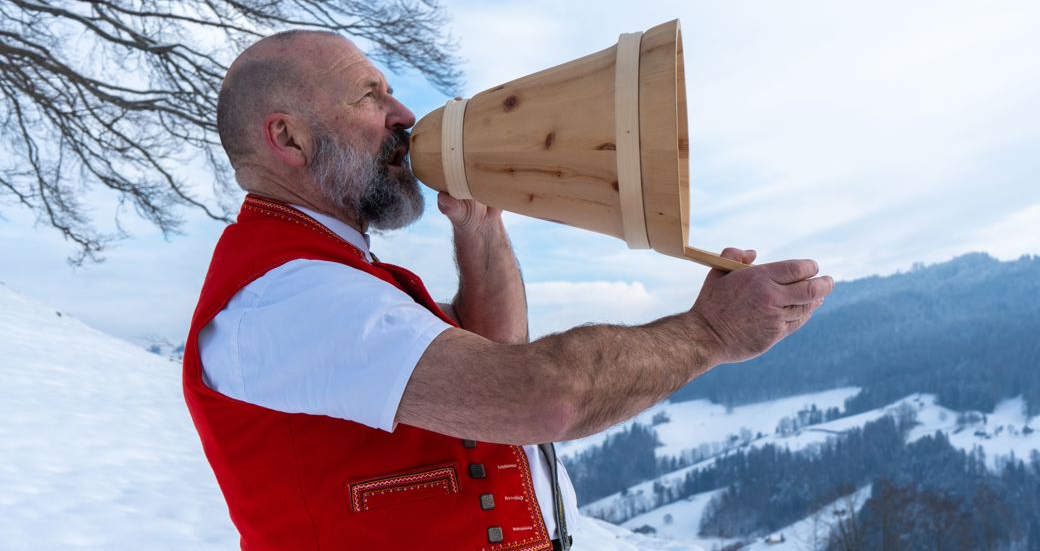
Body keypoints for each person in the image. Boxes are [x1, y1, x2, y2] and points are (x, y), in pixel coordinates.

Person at [183, 30, 834, 551]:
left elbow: (492, 354)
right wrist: (709, 333)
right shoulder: (285, 297)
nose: (405, 113)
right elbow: (543, 397)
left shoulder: (333, 274)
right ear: (288, 137)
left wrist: (480, 222)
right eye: (369, 96)